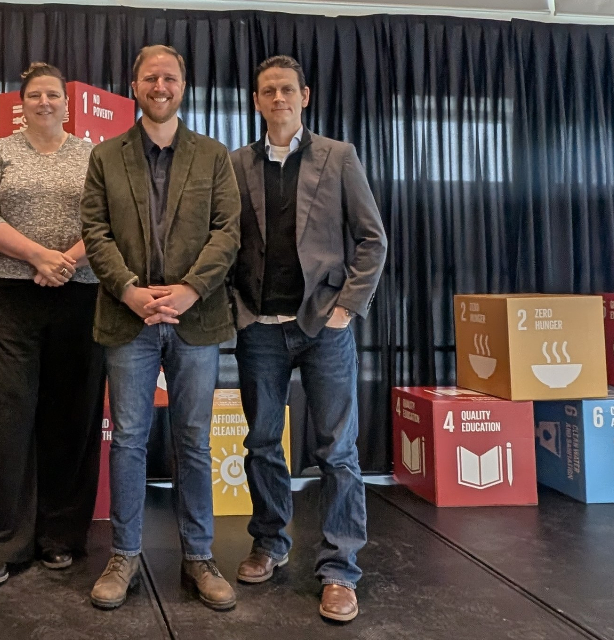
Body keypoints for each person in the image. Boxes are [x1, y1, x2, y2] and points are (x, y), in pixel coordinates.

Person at [81, 44, 243, 612]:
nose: (160, 84)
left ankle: (199, 557)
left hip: (196, 317)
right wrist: (129, 290)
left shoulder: (214, 156)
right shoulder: (104, 157)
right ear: (135, 86)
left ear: (182, 86)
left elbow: (227, 233)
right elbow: (95, 232)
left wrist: (189, 289)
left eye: (169, 76)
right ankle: (124, 555)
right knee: (127, 440)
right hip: (129, 318)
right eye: (150, 76)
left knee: (193, 442)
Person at [229, 55, 387, 623]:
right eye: (267, 90)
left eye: (286, 90)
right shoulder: (235, 163)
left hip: (323, 328)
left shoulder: (338, 157)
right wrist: (235, 310)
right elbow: (226, 244)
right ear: (256, 100)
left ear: (305, 95)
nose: (278, 98)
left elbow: (372, 240)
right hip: (259, 330)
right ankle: (270, 542)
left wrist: (348, 307)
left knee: (337, 450)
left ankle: (340, 569)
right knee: (262, 442)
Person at [0, 62, 107, 587]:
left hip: (81, 292)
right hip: (5, 296)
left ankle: (60, 536)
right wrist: (39, 257)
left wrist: (65, 259)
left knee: (72, 416)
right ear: (21, 104)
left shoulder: (94, 155)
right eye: (35, 95)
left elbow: (110, 219)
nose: (44, 101)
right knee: (7, 416)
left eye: (53, 94)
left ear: (67, 103)